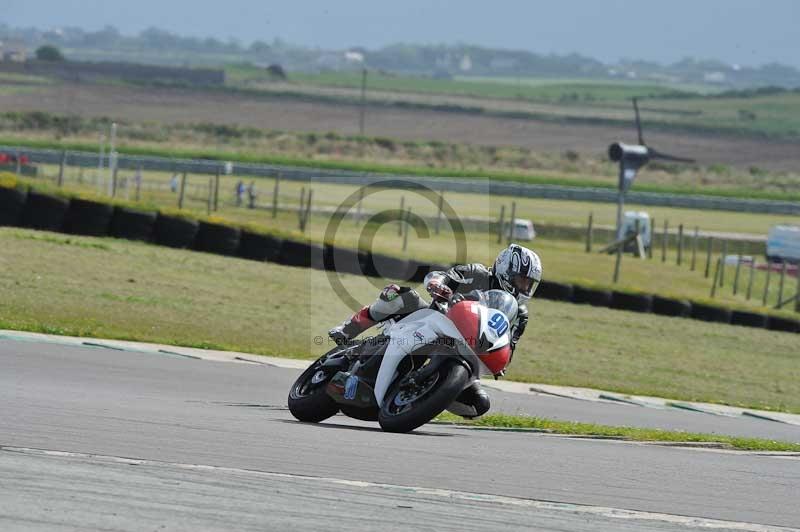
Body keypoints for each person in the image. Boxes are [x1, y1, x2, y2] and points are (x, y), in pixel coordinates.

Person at [328, 243, 542, 418]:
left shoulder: (519, 314)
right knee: (398, 295)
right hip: (434, 319)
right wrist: (439, 285)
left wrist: (500, 363)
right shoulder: (477, 274)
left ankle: (423, 398)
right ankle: (348, 329)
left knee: (479, 405)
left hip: (467, 349)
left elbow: (509, 344)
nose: (524, 288)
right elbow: (442, 275)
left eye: (528, 284)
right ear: (505, 269)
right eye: (521, 280)